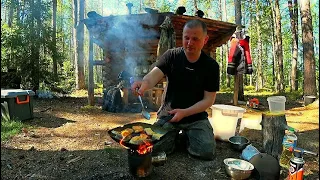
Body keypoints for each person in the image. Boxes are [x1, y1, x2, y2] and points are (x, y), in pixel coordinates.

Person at [131, 19, 220, 160]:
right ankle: (175, 137)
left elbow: (209, 100)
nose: (189, 43)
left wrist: (185, 112)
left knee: (206, 152)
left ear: (205, 40)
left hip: (196, 117)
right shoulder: (171, 56)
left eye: (195, 39)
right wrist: (143, 83)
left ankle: (186, 135)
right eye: (186, 38)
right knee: (153, 148)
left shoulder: (211, 66)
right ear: (182, 36)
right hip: (169, 114)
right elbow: (153, 76)